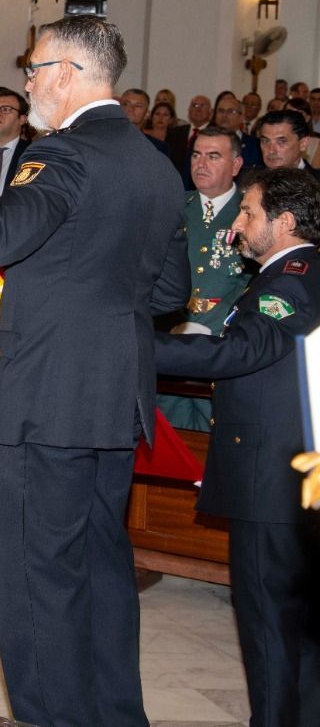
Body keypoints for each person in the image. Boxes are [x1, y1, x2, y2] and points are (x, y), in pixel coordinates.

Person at [0, 16, 184, 727]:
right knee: (100, 568)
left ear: (66, 73)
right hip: (112, 398)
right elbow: (169, 290)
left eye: (33, 69)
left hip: (44, 396)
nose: (27, 82)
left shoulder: (63, 153)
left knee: (40, 582)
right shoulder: (156, 164)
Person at [153, 168, 320, 727]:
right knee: (298, 625)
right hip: (299, 474)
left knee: (270, 621)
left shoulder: (289, 281)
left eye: (249, 213)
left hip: (271, 480)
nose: (238, 225)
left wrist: (136, 346)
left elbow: (239, 353)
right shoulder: (302, 273)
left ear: (285, 222)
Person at [158, 125, 246, 433]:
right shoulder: (174, 206)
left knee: (214, 435)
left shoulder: (251, 212)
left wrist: (213, 327)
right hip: (171, 341)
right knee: (170, 436)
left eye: (213, 156)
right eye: (196, 155)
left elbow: (256, 282)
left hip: (222, 346)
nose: (201, 164)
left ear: (236, 165)